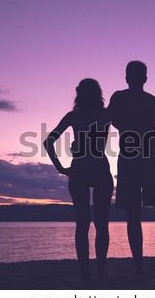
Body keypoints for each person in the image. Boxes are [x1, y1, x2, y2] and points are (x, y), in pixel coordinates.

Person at [108, 61, 155, 274]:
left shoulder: (121, 98)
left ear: (127, 77)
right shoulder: (153, 102)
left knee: (136, 215)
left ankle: (141, 267)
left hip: (134, 160)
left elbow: (107, 120)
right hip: (148, 160)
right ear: (144, 78)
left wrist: (122, 125)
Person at [44, 78, 113, 281]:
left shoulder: (74, 116)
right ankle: (99, 271)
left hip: (81, 168)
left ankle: (85, 272)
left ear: (79, 94)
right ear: (98, 94)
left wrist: (60, 167)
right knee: (101, 224)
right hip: (98, 166)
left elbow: (49, 142)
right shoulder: (105, 115)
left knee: (82, 224)